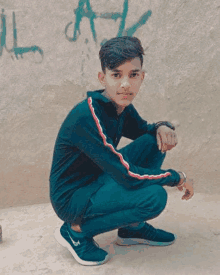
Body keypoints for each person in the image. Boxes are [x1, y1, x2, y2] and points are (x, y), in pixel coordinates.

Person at [49, 36, 194, 266]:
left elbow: (145, 130)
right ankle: (76, 232)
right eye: (116, 75)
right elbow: (125, 175)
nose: (125, 84)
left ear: (142, 77)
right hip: (72, 197)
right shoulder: (88, 115)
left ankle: (131, 229)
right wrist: (176, 177)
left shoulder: (121, 106)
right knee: (155, 197)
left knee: (152, 141)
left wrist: (162, 126)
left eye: (133, 75)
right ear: (102, 78)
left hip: (98, 178)